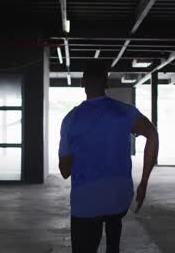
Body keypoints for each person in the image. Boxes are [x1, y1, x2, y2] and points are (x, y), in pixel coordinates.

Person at [58, 60, 159, 253]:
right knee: (113, 220)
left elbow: (64, 172)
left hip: (86, 200)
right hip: (119, 196)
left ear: (82, 83)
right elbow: (152, 135)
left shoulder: (71, 119)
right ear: (107, 84)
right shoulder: (125, 112)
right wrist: (144, 182)